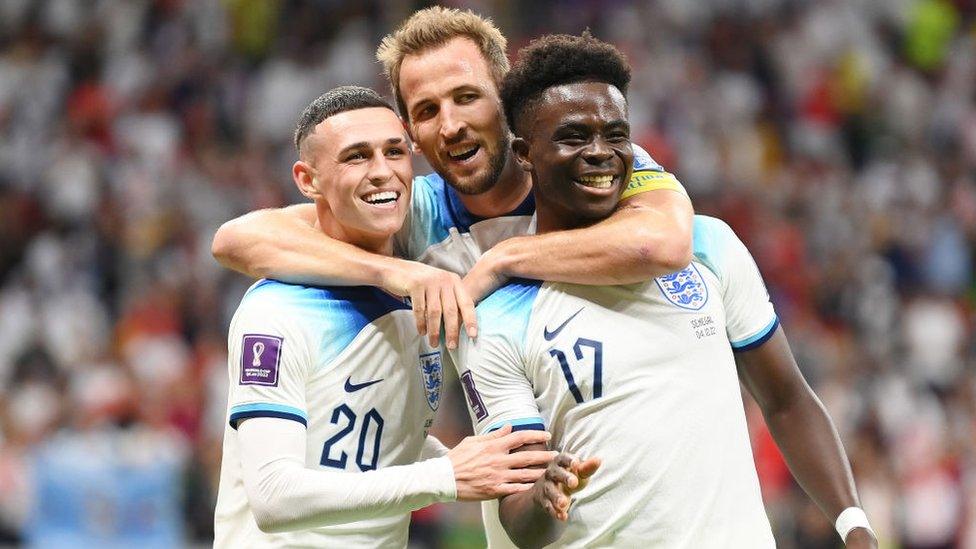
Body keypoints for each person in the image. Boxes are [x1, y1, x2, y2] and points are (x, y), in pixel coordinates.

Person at [454, 33, 879, 548]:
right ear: (524, 153)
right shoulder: (496, 314)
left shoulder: (708, 246)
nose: (600, 154)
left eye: (616, 135)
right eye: (572, 137)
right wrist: (543, 493)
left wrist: (853, 524)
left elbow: (787, 398)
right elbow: (519, 521)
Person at [210, 7, 695, 352]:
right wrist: (394, 271)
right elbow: (237, 239)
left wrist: (505, 259)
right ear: (413, 138)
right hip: (512, 475)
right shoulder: (411, 215)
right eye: (427, 111)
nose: (450, 124)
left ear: (507, 102)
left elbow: (664, 243)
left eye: (466, 97)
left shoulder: (587, 165)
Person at [213, 86, 556, 548]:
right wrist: (448, 474)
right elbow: (275, 497)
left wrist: (489, 463)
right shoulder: (276, 312)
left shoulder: (418, 299)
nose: (382, 173)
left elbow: (375, 443)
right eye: (356, 157)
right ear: (307, 180)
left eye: (394, 152)